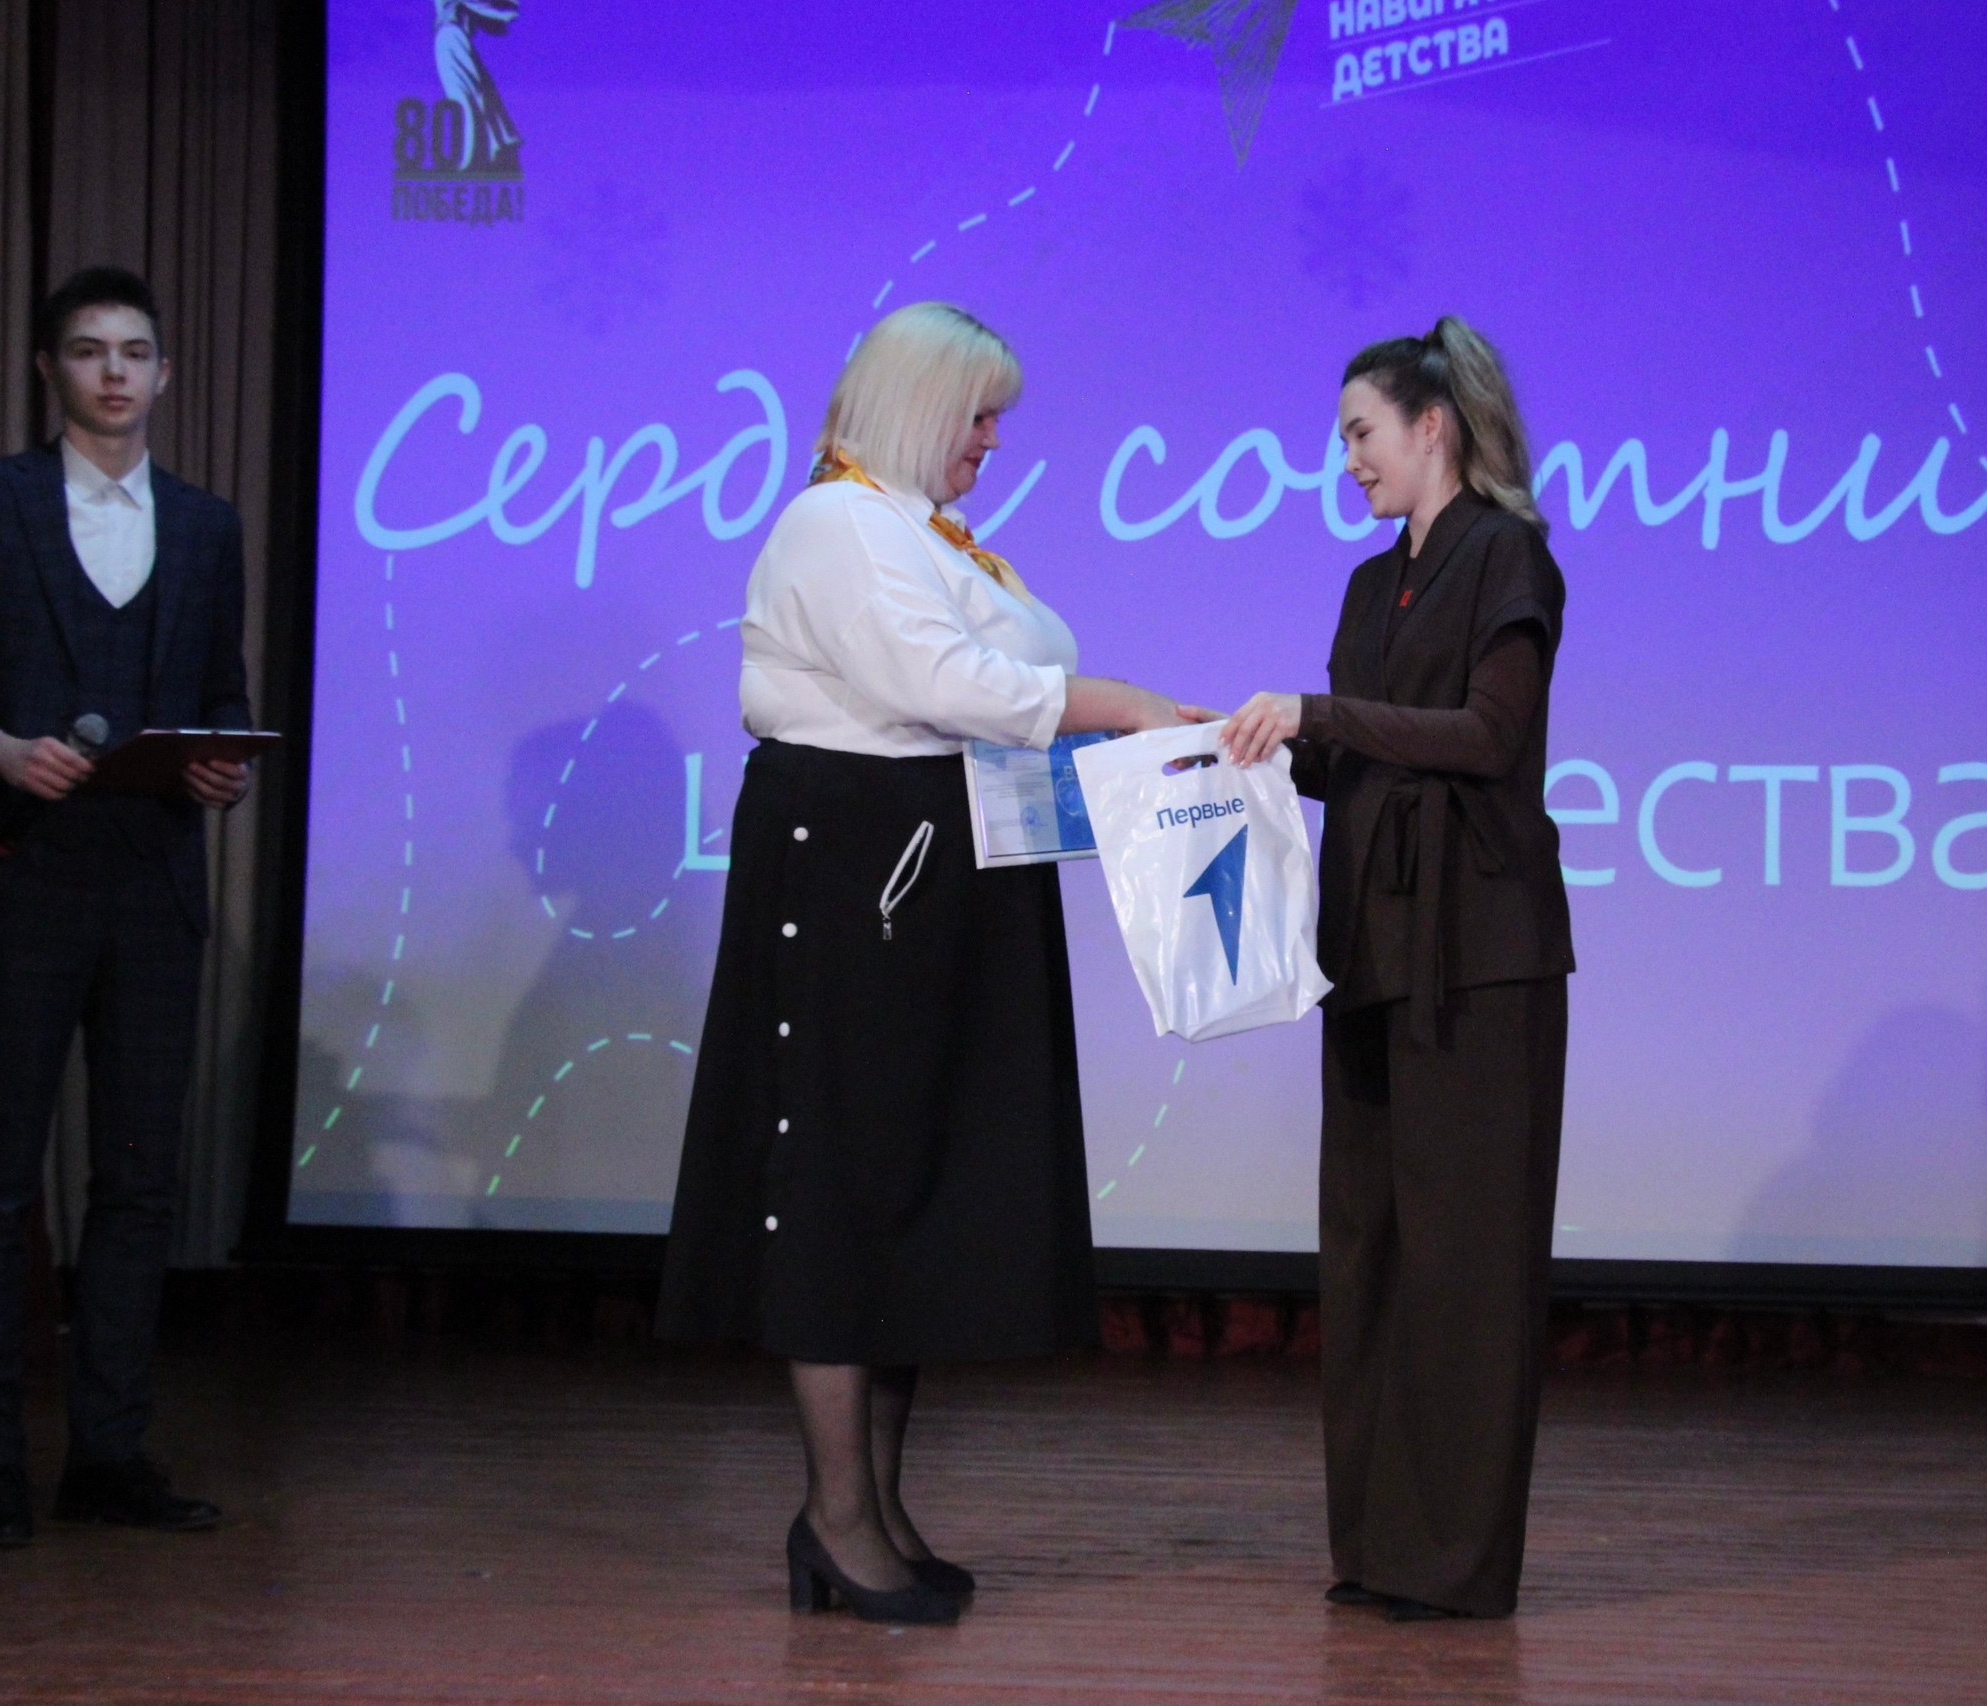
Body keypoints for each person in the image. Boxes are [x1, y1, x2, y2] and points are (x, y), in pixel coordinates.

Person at [656, 302, 1211, 1625]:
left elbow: (1001, 671)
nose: (994, 440)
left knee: (910, 1181)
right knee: (845, 1178)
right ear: (915, 406)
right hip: (861, 865)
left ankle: (880, 1509)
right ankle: (836, 1516)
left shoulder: (923, 532)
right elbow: (949, 681)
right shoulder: (836, 525)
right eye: (978, 414)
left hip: (935, 859)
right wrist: (1124, 704)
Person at [1219, 316, 1572, 1621]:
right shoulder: (1373, 586)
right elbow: (1346, 756)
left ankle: (1456, 1560)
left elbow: (1487, 736)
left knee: (1467, 1258)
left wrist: (1323, 715)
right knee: (1370, 1247)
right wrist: (1237, 746)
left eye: (1362, 432)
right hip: (1370, 946)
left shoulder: (1508, 554)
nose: (1350, 458)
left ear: (1433, 426)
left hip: (1476, 954)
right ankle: (1379, 1544)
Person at [0, 268, 254, 1548]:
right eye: (88, 351)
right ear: (49, 370)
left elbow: (219, 692)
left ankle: (108, 1452)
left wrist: (219, 763)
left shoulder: (204, 525)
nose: (113, 373)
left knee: (139, 1181)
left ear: (163, 374)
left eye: (134, 352)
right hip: (19, 873)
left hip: (151, 882)